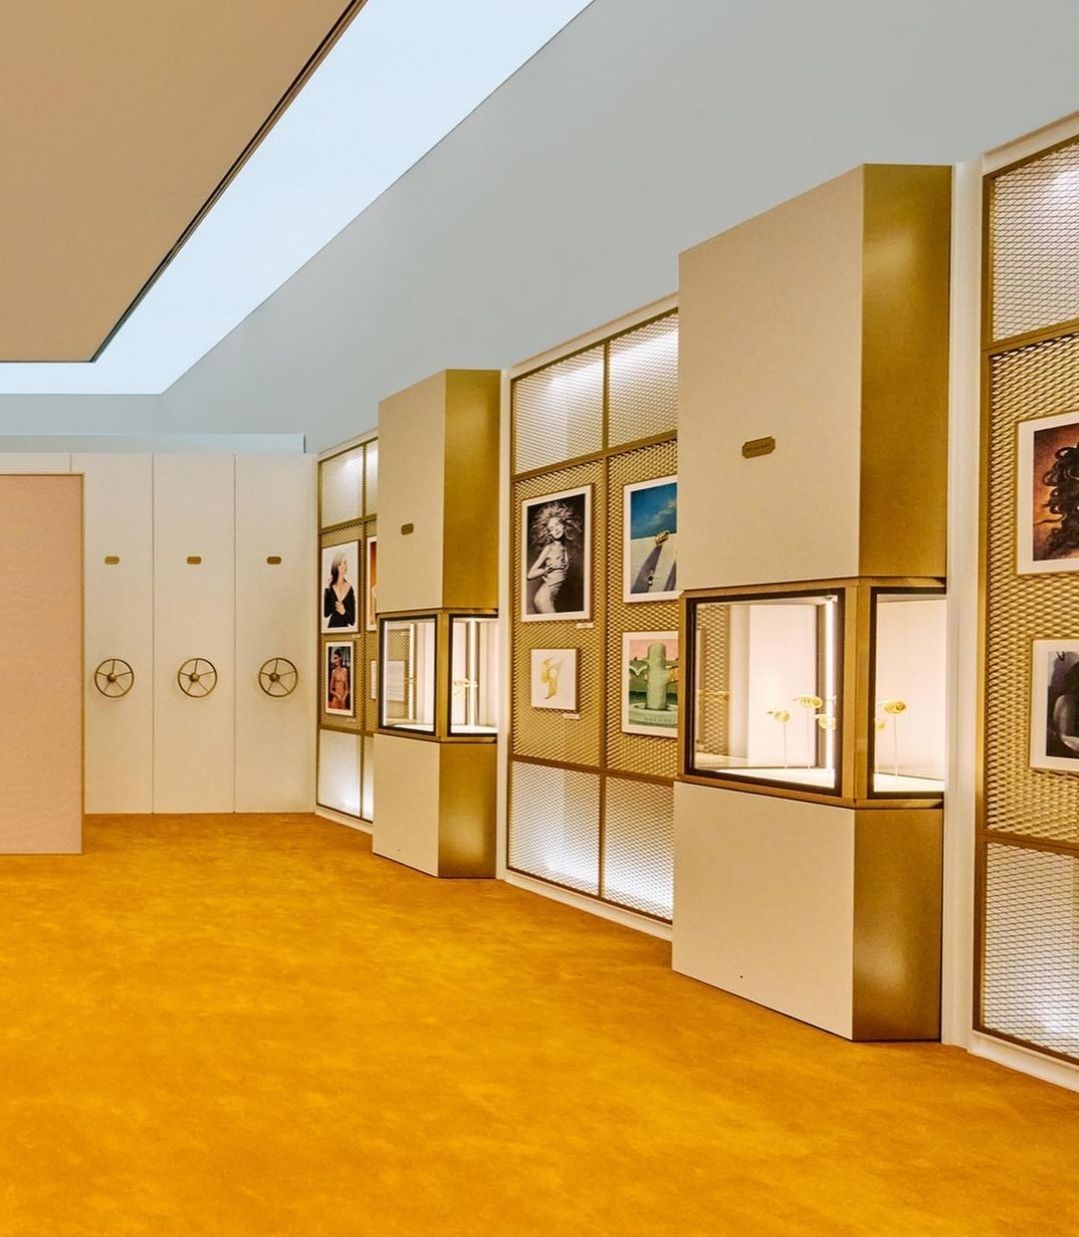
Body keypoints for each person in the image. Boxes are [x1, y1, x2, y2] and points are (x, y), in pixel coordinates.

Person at [526, 501, 582, 614]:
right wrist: (548, 569)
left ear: (563, 525)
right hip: (544, 598)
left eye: (557, 525)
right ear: (549, 533)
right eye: (551, 528)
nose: (555, 530)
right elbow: (530, 575)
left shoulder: (567, 547)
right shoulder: (549, 548)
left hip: (553, 598)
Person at [323, 550, 356, 629]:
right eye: (344, 562)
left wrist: (344, 612)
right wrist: (327, 590)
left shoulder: (350, 588)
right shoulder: (330, 587)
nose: (347, 565)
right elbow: (326, 613)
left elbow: (352, 621)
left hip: (344, 630)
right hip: (331, 629)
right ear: (338, 566)